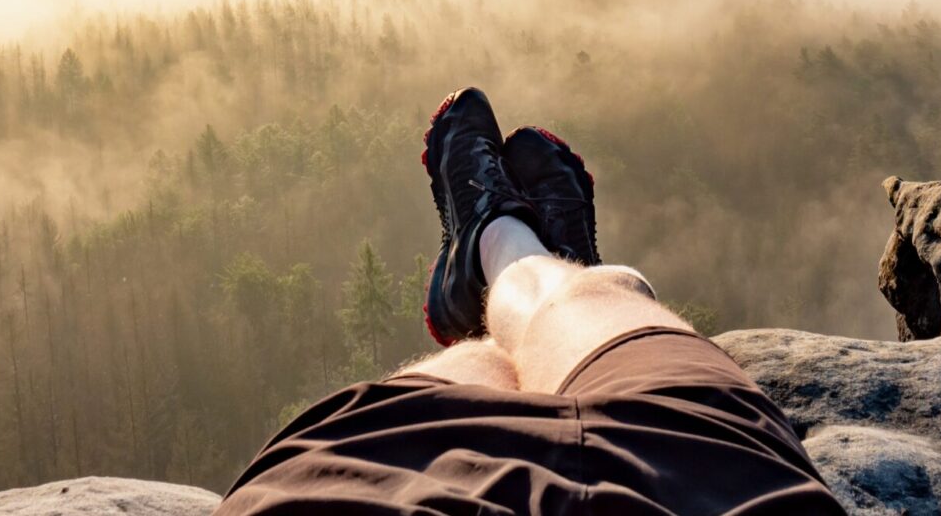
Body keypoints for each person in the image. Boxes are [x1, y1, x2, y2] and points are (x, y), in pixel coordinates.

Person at [216, 88, 846, 514]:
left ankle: (496, 250)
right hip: (698, 485)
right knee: (605, 302)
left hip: (366, 487)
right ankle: (537, 264)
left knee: (471, 379)